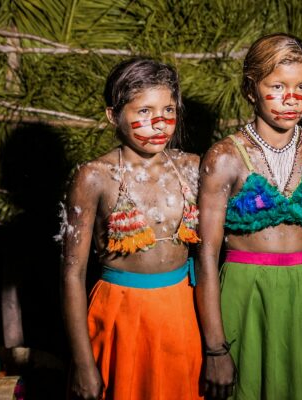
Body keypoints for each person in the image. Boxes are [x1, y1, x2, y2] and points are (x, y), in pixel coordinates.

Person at [196, 33, 302, 400]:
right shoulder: (224, 157)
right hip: (246, 293)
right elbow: (205, 254)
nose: (291, 99)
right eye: (277, 86)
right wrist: (216, 347)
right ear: (252, 89)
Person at [60, 58, 203, 400]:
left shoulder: (193, 167)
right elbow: (71, 273)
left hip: (181, 313)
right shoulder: (93, 177)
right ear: (113, 115)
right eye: (144, 111)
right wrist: (82, 364)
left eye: (168, 109)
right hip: (119, 315)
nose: (159, 123)